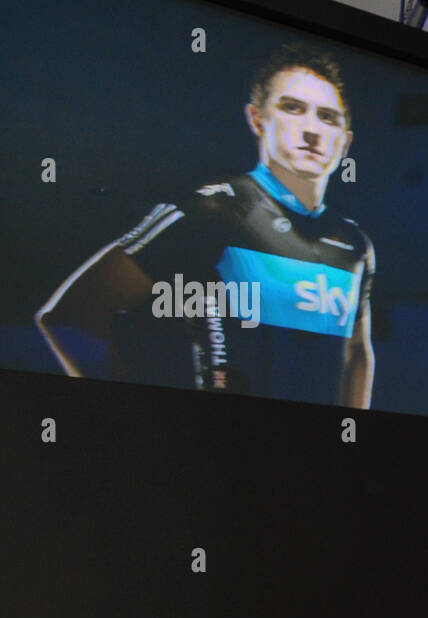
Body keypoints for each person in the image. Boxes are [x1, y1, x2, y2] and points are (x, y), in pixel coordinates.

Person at [35, 43, 375, 408]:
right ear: (257, 118)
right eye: (292, 108)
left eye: (328, 117)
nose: (311, 129)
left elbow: (358, 352)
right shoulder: (215, 210)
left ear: (346, 141)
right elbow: (70, 316)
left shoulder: (355, 245)